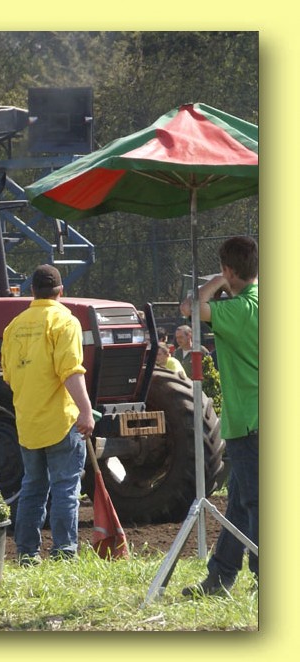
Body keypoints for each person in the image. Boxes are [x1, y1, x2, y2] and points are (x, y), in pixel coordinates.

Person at [1, 264, 94, 564]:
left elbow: (8, 376)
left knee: (32, 487)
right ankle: (64, 551)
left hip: (28, 422)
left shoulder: (13, 326)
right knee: (65, 487)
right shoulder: (64, 321)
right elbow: (71, 372)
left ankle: (27, 553)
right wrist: (86, 411)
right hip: (61, 422)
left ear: (32, 291)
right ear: (60, 291)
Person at [180, 236, 258, 596]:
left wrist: (215, 281)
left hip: (249, 422)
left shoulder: (238, 311)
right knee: (239, 505)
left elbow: (190, 308)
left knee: (256, 505)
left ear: (229, 269)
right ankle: (220, 576)